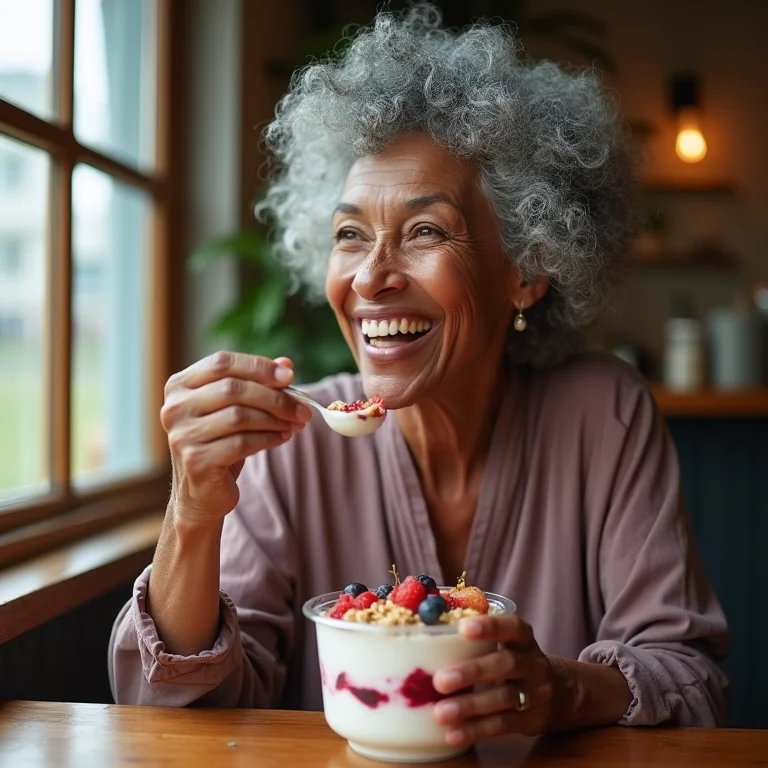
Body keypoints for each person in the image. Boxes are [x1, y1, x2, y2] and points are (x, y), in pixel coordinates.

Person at [109, 3, 729, 745]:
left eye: (425, 231)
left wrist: (559, 690)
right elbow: (173, 716)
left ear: (529, 269)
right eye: (349, 236)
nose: (371, 278)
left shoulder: (603, 414)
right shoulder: (295, 442)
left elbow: (689, 681)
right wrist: (192, 512)